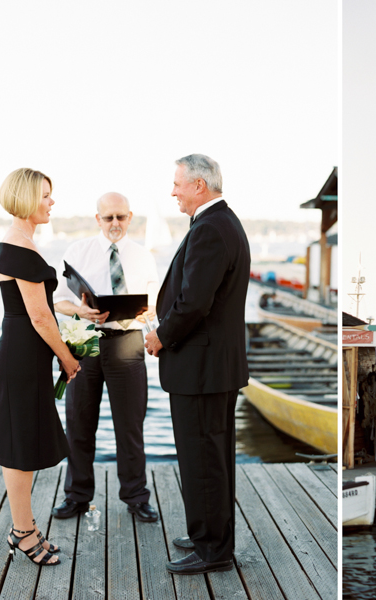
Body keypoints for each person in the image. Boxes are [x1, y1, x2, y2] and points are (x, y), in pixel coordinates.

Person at [144, 154, 250, 575]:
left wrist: (160, 335)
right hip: (213, 365)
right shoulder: (223, 223)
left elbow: (194, 303)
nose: (173, 191)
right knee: (213, 456)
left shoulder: (210, 228)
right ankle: (210, 533)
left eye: (177, 184)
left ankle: (212, 550)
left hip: (202, 367)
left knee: (203, 458)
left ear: (199, 186)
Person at [50, 192, 160, 523]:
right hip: (84, 340)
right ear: (98, 219)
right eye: (108, 217)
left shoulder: (143, 256)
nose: (115, 224)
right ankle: (77, 496)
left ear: (130, 217)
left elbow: (155, 303)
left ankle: (136, 497)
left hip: (127, 341)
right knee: (79, 424)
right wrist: (81, 309)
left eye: (121, 217)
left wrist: (143, 313)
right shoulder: (76, 252)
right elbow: (56, 301)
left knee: (130, 426)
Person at [0, 168, 80, 567]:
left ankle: (23, 527)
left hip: (25, 353)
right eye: (46, 195)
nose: (51, 202)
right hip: (23, 355)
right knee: (19, 446)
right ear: (28, 199)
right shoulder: (19, 246)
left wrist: (78, 310)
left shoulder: (23, 244)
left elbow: (46, 304)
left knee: (24, 441)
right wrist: (66, 357)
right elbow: (40, 318)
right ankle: (23, 533)